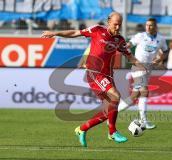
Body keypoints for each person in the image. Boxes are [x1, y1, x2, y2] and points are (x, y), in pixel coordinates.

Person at [41, 12, 146, 147]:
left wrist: (142, 66)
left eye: (120, 24)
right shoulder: (97, 30)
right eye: (115, 24)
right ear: (109, 22)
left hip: (108, 75)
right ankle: (112, 132)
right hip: (94, 73)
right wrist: (55, 33)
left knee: (109, 109)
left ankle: (82, 129)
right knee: (115, 96)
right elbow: (75, 33)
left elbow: (129, 57)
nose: (118, 27)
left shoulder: (120, 40)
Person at [117, 18, 168, 129]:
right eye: (147, 25)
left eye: (150, 25)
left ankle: (112, 112)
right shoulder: (140, 36)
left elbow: (165, 51)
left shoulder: (161, 39)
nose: (148, 27)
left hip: (148, 68)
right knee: (144, 91)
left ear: (155, 26)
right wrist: (124, 48)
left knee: (134, 96)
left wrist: (159, 60)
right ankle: (143, 121)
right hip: (138, 66)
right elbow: (128, 45)